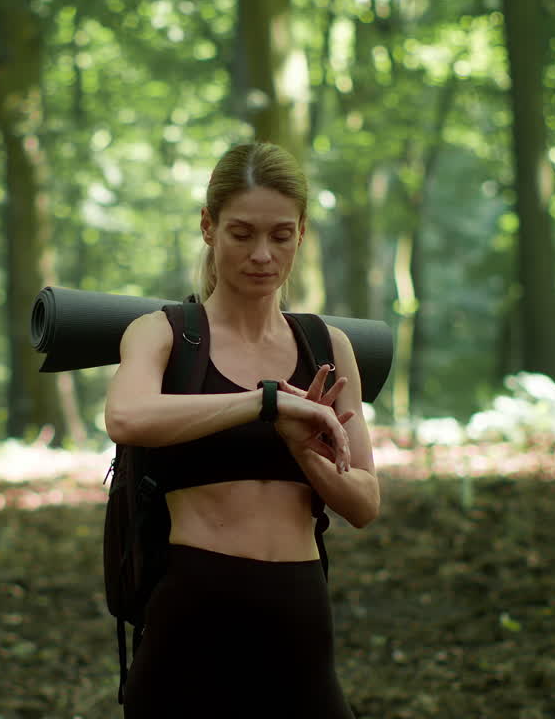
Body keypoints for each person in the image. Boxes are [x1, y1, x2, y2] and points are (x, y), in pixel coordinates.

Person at [104, 142, 380, 718]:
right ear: (208, 227)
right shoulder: (164, 334)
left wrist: (305, 453)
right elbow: (125, 418)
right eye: (241, 233)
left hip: (299, 610)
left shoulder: (328, 346)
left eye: (281, 236)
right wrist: (265, 403)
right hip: (194, 607)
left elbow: (364, 503)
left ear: (301, 233)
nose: (262, 254)